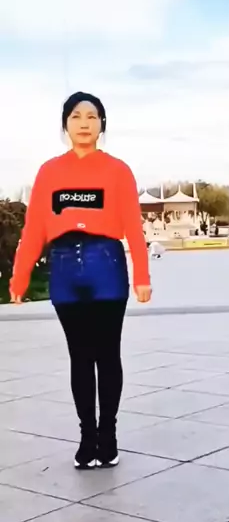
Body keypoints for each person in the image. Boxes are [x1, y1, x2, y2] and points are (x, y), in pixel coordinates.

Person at [10, 92, 151, 470]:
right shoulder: (49, 172)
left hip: (106, 265)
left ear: (102, 124)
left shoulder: (117, 170)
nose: (84, 123)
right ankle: (87, 436)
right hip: (64, 269)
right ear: (65, 125)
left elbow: (133, 226)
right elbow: (34, 228)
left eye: (92, 116)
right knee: (80, 356)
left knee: (107, 353)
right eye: (76, 116)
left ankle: (108, 435)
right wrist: (20, 277)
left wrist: (142, 275)